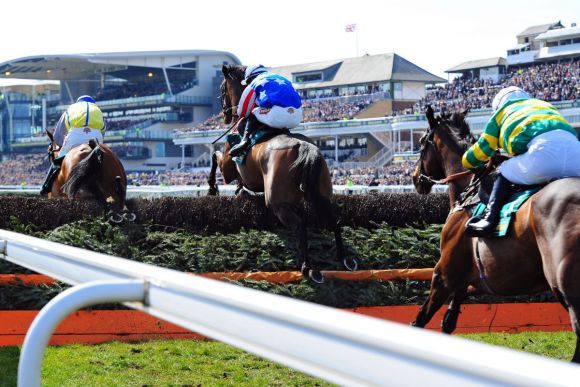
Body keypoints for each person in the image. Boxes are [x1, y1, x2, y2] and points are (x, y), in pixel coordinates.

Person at [462, 86, 580, 237]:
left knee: (504, 170)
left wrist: (467, 161)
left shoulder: (500, 114)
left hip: (543, 156)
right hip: (576, 153)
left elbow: (482, 151)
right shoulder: (545, 105)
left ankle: (488, 220)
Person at [229, 65, 303, 157]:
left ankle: (244, 141)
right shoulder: (281, 77)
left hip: (278, 116)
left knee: (253, 111)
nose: (248, 84)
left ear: (250, 78)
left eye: (247, 82)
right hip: (298, 116)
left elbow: (243, 111)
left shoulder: (254, 83)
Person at [40, 95, 106, 196]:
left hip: (76, 135)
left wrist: (62, 145)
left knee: (57, 161)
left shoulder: (71, 109)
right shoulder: (98, 110)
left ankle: (45, 187)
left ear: (78, 102)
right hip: (96, 136)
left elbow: (57, 135)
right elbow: (103, 132)